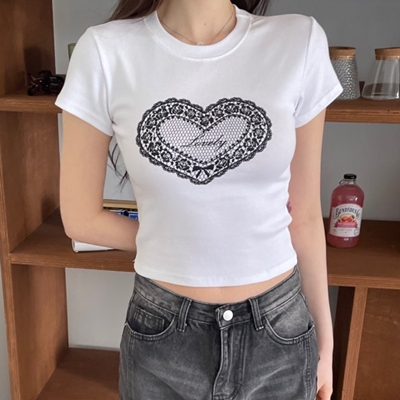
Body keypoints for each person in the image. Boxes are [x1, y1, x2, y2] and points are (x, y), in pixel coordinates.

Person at [55, 0, 342, 399]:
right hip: (164, 333)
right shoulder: (105, 51)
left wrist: (326, 343)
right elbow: (80, 218)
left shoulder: (298, 41)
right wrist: (185, 242)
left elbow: (306, 216)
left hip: (281, 331)